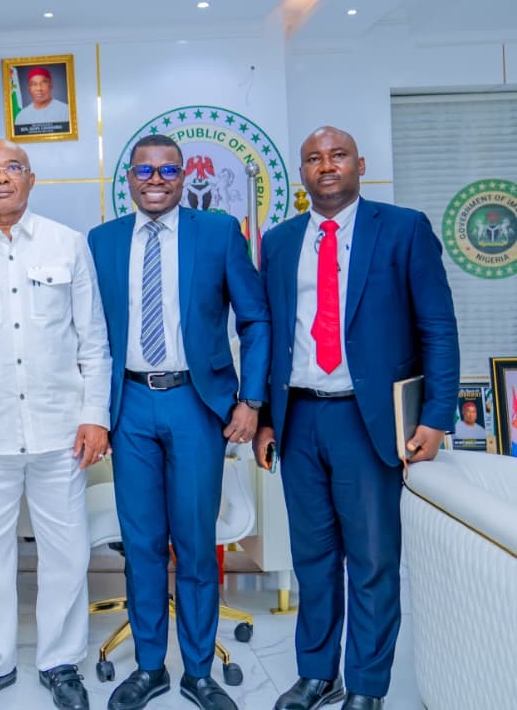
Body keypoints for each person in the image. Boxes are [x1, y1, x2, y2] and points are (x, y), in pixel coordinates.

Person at [253, 126, 459, 710]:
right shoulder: (280, 241)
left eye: (337, 155)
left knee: (372, 560)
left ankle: (366, 686)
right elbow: (269, 335)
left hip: (368, 423)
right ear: (302, 172)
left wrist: (437, 416)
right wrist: (265, 419)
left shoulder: (403, 229)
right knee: (313, 559)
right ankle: (318, 674)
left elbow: (438, 328)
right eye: (313, 158)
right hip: (299, 419)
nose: (326, 166)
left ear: (359, 165)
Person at [88, 134, 270, 710]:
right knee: (141, 544)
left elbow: (255, 320)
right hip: (130, 406)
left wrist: (252, 400)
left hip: (196, 403)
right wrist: (94, 414)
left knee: (194, 544)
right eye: (144, 170)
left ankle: (197, 671)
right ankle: (149, 668)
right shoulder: (102, 241)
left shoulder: (218, 233)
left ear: (183, 175)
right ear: (129, 178)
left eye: (167, 170)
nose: (156, 180)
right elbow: (87, 334)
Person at [0, 141, 111, 710]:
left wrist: (95, 416)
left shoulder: (67, 244)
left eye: (12, 168)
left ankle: (61, 662)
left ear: (31, 179)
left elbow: (94, 342)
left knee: (67, 553)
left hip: (62, 432)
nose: (1, 178)